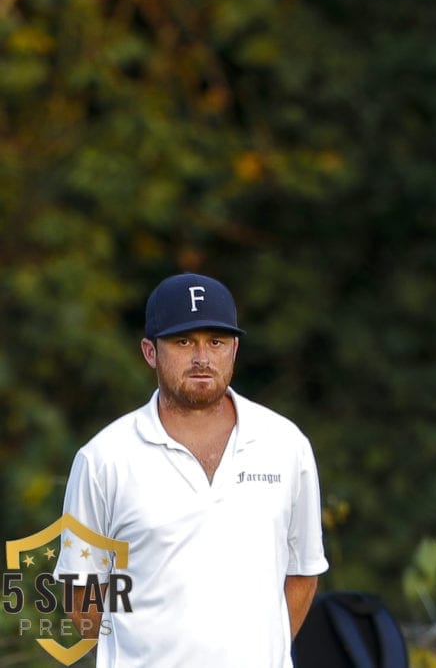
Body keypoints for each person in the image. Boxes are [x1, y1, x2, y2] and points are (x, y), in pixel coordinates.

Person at [55, 273, 329, 667]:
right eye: (183, 342)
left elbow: (302, 573)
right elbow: (80, 591)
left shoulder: (286, 445)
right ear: (150, 352)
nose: (202, 358)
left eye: (215, 342)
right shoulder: (104, 458)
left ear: (233, 350)